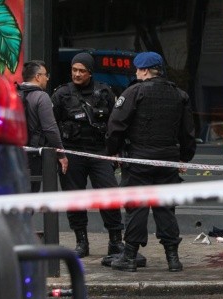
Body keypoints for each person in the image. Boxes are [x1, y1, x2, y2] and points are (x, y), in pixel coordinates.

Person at [105, 52, 196, 272]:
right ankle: (173, 259)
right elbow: (188, 132)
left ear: (145, 70)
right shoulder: (179, 95)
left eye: (137, 69)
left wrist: (113, 152)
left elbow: (116, 126)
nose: (136, 73)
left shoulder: (134, 92)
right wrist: (185, 156)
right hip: (167, 161)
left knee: (137, 208)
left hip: (139, 160)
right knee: (165, 208)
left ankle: (129, 257)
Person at [52, 52, 124, 259]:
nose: (77, 74)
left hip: (99, 151)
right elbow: (51, 124)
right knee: (75, 197)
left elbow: (116, 123)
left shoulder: (104, 92)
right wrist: (59, 153)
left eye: (81, 71)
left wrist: (116, 150)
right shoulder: (61, 94)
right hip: (72, 151)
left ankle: (115, 241)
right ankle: (81, 241)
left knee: (109, 194)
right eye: (74, 70)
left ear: (90, 73)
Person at [18, 60, 68, 192]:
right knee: (31, 194)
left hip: (14, 153)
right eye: (45, 75)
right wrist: (61, 154)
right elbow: (50, 129)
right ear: (37, 77)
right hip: (33, 154)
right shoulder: (42, 97)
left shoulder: (13, 95)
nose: (47, 78)